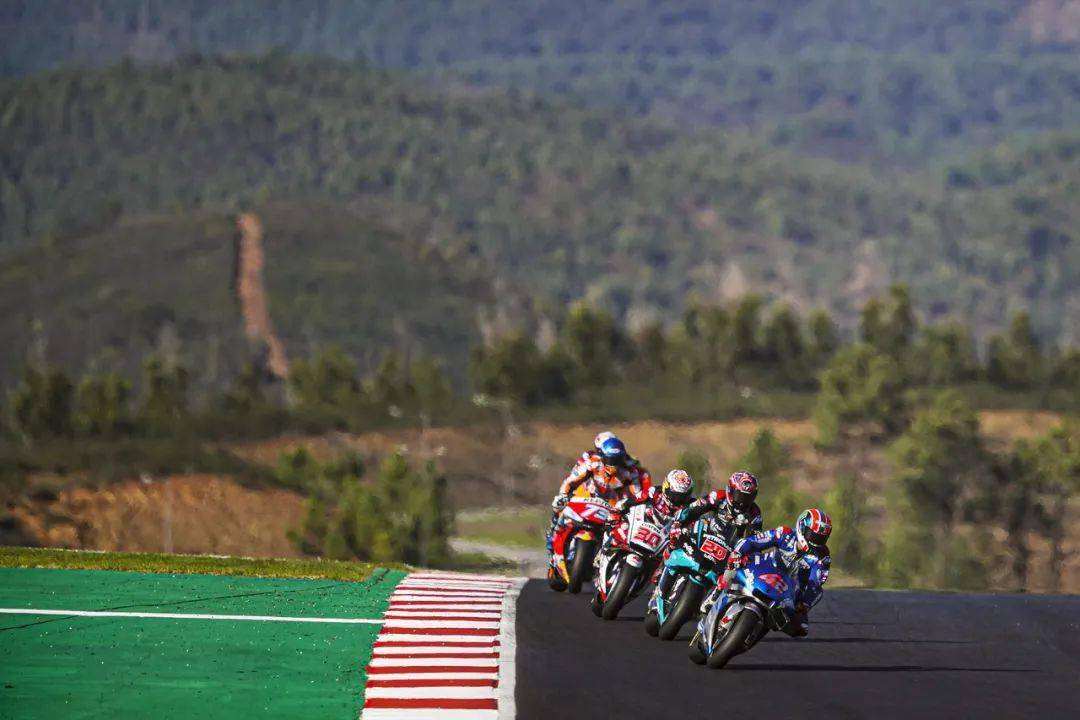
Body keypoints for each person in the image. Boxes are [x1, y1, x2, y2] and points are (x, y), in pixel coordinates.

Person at [546, 434, 652, 580]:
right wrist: (563, 495)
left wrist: (633, 507)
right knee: (559, 506)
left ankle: (604, 563)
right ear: (602, 456)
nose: (613, 464)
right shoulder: (592, 463)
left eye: (617, 460)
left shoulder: (630, 472)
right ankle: (553, 534)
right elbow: (571, 481)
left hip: (611, 506)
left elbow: (638, 495)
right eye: (610, 460)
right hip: (586, 498)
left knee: (619, 533)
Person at [726, 508, 832, 637]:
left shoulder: (822, 557)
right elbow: (754, 541)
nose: (816, 541)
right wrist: (738, 553)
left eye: (821, 538)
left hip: (790, 589)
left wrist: (804, 605)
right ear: (802, 527)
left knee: (801, 627)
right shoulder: (785, 533)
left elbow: (815, 583)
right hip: (764, 569)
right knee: (732, 567)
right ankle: (716, 595)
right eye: (813, 535)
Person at [670, 470, 763, 548]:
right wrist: (678, 523)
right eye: (740, 496)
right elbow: (693, 509)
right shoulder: (718, 496)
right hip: (705, 538)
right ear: (731, 490)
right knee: (697, 526)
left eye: (749, 498)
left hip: (730, 551)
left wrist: (745, 554)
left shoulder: (755, 513)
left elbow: (755, 541)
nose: (743, 502)